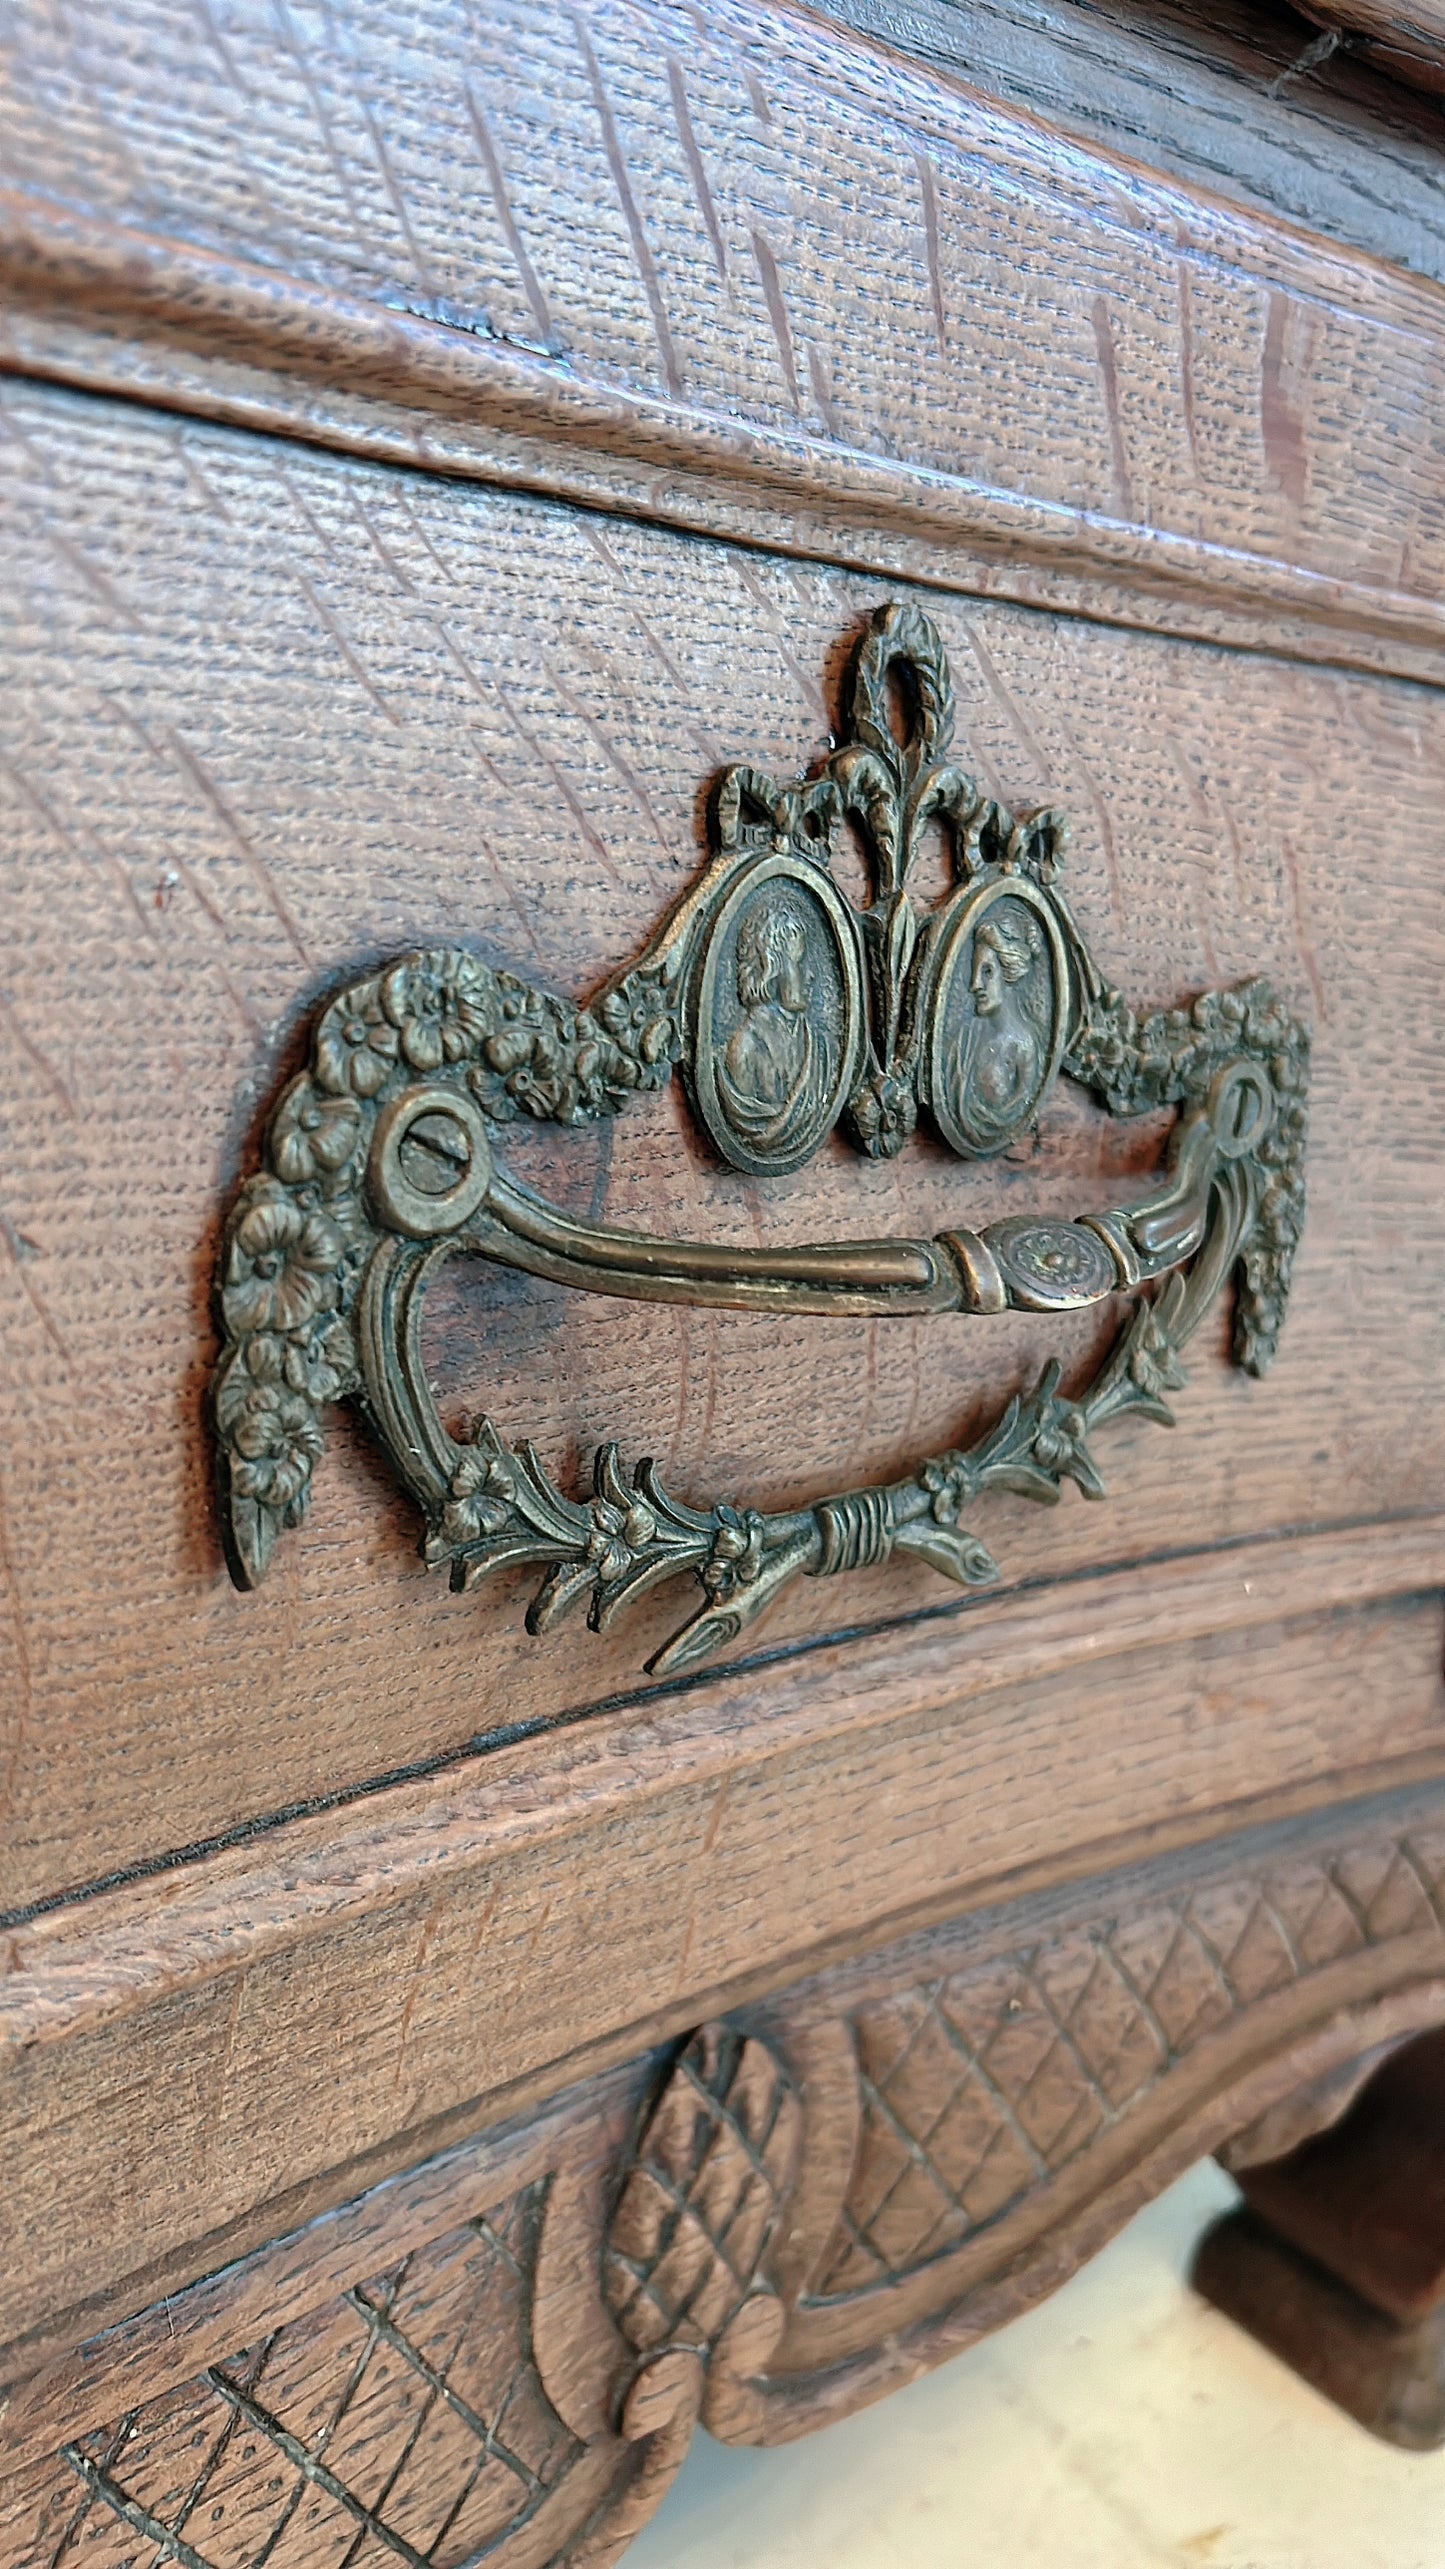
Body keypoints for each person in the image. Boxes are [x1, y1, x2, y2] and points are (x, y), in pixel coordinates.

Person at [718, 893, 834, 1159]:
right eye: (800, 961)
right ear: (770, 967)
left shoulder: (818, 1048)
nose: (812, 973)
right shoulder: (744, 1050)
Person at [958, 904, 1050, 1141]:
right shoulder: (967, 1040)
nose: (975, 984)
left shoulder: (1025, 1049)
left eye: (987, 972)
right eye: (975, 972)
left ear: (1010, 973)